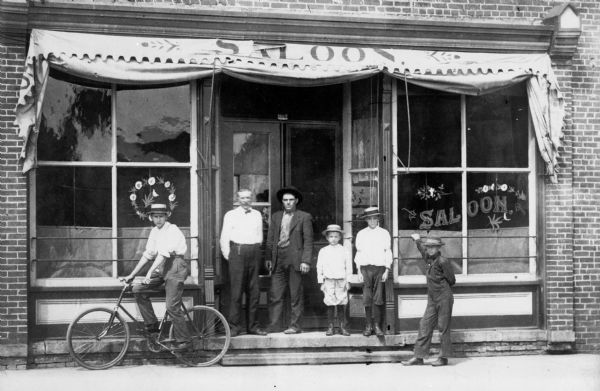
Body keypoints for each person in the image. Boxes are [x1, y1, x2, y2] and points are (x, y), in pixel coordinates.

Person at [124, 203, 190, 351]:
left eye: (161, 216)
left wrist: (148, 273)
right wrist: (132, 274)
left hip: (176, 266)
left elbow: (163, 254)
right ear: (151, 217)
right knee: (138, 289)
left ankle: (184, 341)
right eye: (155, 217)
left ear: (167, 216)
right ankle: (153, 328)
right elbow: (149, 254)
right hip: (162, 267)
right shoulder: (154, 231)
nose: (158, 219)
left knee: (172, 306)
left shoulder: (173, 230)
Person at [265, 186, 313, 334]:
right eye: (285, 200)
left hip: (295, 259)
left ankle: (295, 326)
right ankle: (274, 325)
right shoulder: (276, 216)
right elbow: (271, 239)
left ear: (296, 201)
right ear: (282, 202)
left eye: (291, 200)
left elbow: (308, 240)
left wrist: (306, 261)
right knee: (275, 294)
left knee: (295, 294)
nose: (288, 203)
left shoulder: (304, 217)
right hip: (278, 257)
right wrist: (268, 257)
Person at [402, 234, 456, 367]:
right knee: (424, 325)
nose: (430, 249)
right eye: (429, 247)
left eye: (433, 247)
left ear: (438, 248)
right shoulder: (428, 258)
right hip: (432, 299)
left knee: (443, 327)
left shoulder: (443, 261)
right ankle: (419, 357)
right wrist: (417, 240)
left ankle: (443, 358)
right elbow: (421, 249)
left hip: (444, 298)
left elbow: (452, 280)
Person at [219, 189, 268, 337]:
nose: (245, 200)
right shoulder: (231, 215)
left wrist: (256, 253)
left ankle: (253, 326)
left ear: (251, 199)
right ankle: (234, 327)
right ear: (237, 199)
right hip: (237, 253)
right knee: (236, 291)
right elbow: (224, 238)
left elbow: (260, 237)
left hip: (254, 252)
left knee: (254, 291)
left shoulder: (257, 214)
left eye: (248, 198)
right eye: (242, 198)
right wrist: (231, 257)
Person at [354, 206, 392, 337]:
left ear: (378, 219)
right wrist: (358, 270)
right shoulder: (361, 234)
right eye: (369, 219)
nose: (372, 221)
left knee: (378, 297)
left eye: (374, 218)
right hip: (365, 269)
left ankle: (377, 325)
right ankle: (368, 325)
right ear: (366, 220)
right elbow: (358, 253)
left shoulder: (384, 233)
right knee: (367, 297)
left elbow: (388, 251)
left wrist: (387, 270)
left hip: (379, 269)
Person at [316, 224, 352, 336]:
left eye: (336, 236)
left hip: (341, 280)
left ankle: (342, 326)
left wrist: (348, 280)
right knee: (330, 303)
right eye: (331, 236)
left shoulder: (344, 250)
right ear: (327, 238)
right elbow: (319, 266)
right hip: (329, 280)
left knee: (341, 303)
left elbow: (349, 266)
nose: (333, 239)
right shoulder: (323, 251)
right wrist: (321, 282)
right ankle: (330, 326)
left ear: (340, 237)